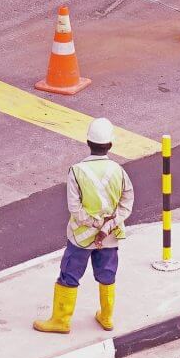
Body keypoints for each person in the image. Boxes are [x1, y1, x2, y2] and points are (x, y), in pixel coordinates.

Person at [34, 118, 134, 334]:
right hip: (109, 237)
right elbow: (126, 205)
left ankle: (61, 321)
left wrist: (94, 224)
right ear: (110, 144)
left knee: (70, 274)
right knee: (107, 274)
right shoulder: (119, 171)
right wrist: (107, 226)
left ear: (88, 141)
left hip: (81, 237)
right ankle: (106, 317)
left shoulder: (77, 171)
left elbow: (75, 208)